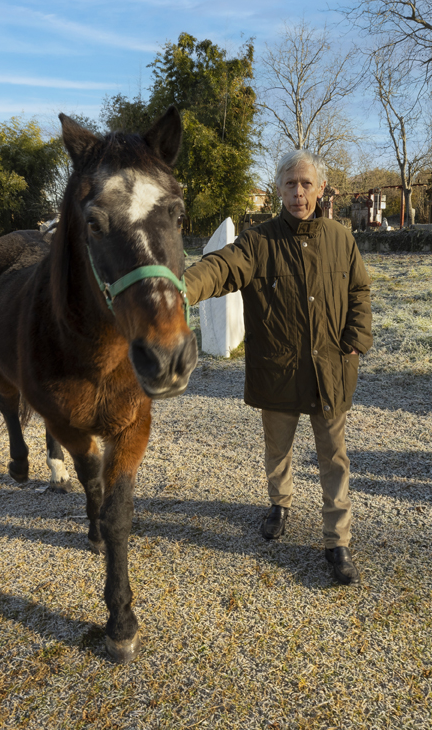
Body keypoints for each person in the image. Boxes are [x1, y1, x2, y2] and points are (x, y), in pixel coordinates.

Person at [184, 150, 373, 584]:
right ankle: (280, 503)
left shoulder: (342, 238)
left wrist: (355, 342)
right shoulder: (259, 240)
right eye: (290, 184)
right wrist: (181, 287)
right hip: (279, 368)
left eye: (307, 183)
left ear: (321, 188)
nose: (299, 192)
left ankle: (338, 540)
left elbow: (359, 290)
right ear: (278, 189)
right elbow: (221, 267)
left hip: (330, 370)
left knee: (334, 459)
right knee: (278, 450)